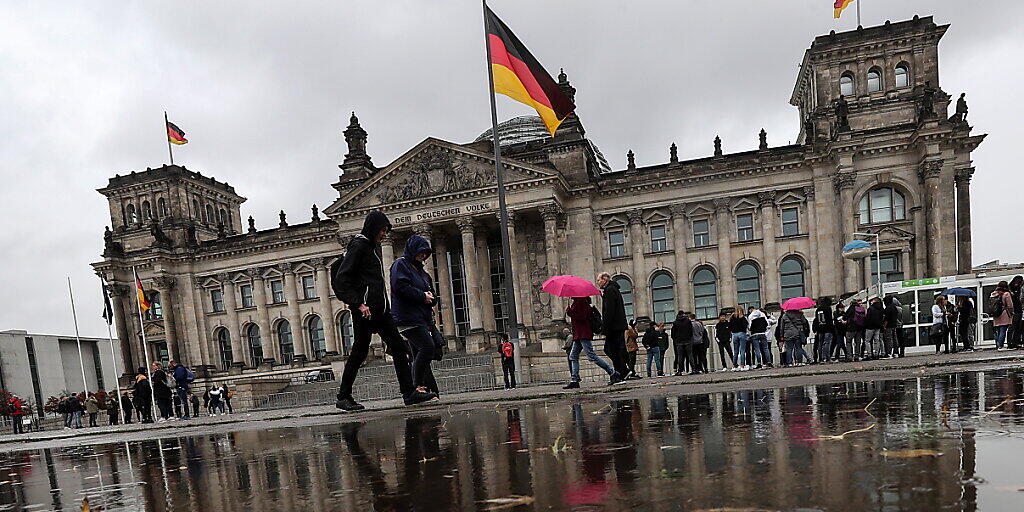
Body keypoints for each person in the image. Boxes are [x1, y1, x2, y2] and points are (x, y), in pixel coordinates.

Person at [331, 210, 433, 411]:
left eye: (386, 231)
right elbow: (342, 279)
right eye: (383, 230)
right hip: (366, 311)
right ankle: (343, 396)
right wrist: (358, 303)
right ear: (373, 228)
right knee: (359, 353)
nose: (385, 235)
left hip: (380, 310)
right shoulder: (359, 246)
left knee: (398, 347)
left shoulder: (371, 247)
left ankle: (409, 393)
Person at [391, 234, 445, 396]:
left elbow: (433, 294)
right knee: (427, 347)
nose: (423, 256)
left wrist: (431, 298)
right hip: (407, 317)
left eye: (426, 253)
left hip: (422, 319)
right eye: (420, 252)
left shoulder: (423, 272)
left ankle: (427, 389)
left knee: (419, 353)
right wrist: (423, 296)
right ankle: (416, 387)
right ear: (412, 250)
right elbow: (399, 287)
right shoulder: (401, 265)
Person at [564, 296, 616, 388]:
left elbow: (582, 316)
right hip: (578, 334)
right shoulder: (578, 302)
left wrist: (569, 312)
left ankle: (612, 372)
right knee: (573, 356)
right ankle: (574, 379)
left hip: (583, 333)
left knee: (591, 356)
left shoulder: (581, 301)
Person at [596, 272, 627, 383]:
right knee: (615, 350)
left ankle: (620, 373)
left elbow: (609, 311)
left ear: (605, 279)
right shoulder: (612, 290)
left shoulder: (610, 290)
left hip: (614, 327)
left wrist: (605, 328)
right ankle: (622, 371)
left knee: (611, 350)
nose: (598, 282)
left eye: (599, 280)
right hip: (617, 326)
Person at [990, 281, 1014, 351]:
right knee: (1003, 330)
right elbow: (1010, 305)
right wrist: (1012, 312)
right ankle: (1001, 346)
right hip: (1004, 313)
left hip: (996, 314)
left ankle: (997, 345)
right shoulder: (1006, 294)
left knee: (998, 331)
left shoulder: (993, 294)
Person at [813, 297, 834, 363]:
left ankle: (821, 358)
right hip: (827, 328)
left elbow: (816, 320)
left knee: (820, 344)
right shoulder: (828, 308)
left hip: (820, 328)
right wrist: (832, 329)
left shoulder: (818, 309)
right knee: (827, 343)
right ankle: (827, 358)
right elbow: (830, 319)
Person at [1008, 276, 1023, 349]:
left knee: (1014, 327)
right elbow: (1020, 299)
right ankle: (1014, 342)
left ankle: (1012, 342)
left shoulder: (1010, 289)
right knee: (1017, 327)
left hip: (1015, 310)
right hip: (1017, 310)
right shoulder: (1017, 289)